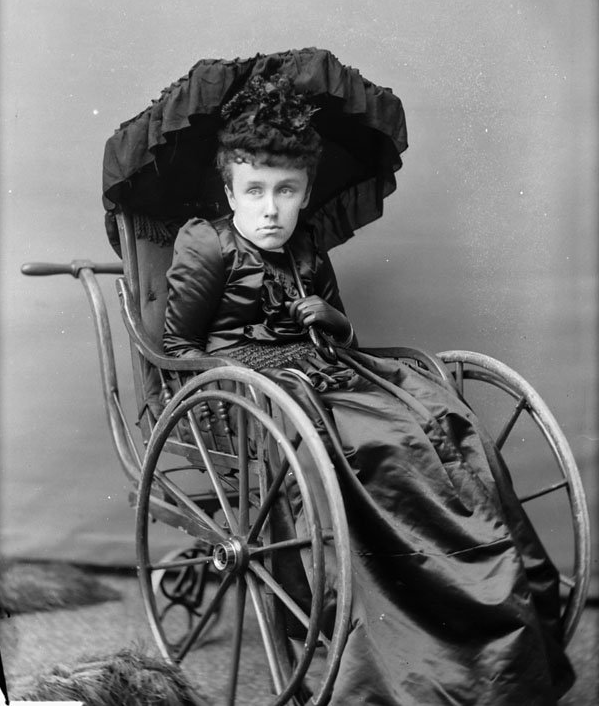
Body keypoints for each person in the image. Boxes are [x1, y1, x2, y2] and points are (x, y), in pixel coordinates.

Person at [162, 75, 574, 705]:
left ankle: (471, 592)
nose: (270, 209)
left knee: (432, 415)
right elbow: (177, 349)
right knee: (366, 444)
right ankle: (397, 626)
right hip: (244, 390)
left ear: (305, 192)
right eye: (254, 191)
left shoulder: (304, 248)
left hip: (321, 371)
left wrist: (334, 320)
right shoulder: (206, 243)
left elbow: (343, 335)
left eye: (287, 191)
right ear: (230, 190)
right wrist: (245, 376)